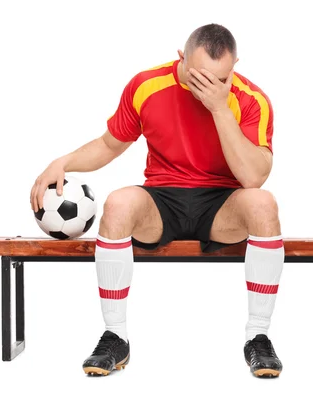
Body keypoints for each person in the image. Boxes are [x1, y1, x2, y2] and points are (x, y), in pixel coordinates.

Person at [30, 23, 285, 378]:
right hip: (163, 199)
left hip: (222, 203)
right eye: (199, 78)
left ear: (235, 66)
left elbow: (253, 178)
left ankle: (257, 336)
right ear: (181, 57)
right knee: (118, 203)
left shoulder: (250, 99)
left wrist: (220, 108)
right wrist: (63, 162)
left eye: (219, 79)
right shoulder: (147, 85)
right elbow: (109, 145)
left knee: (263, 204)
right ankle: (115, 336)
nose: (208, 88)